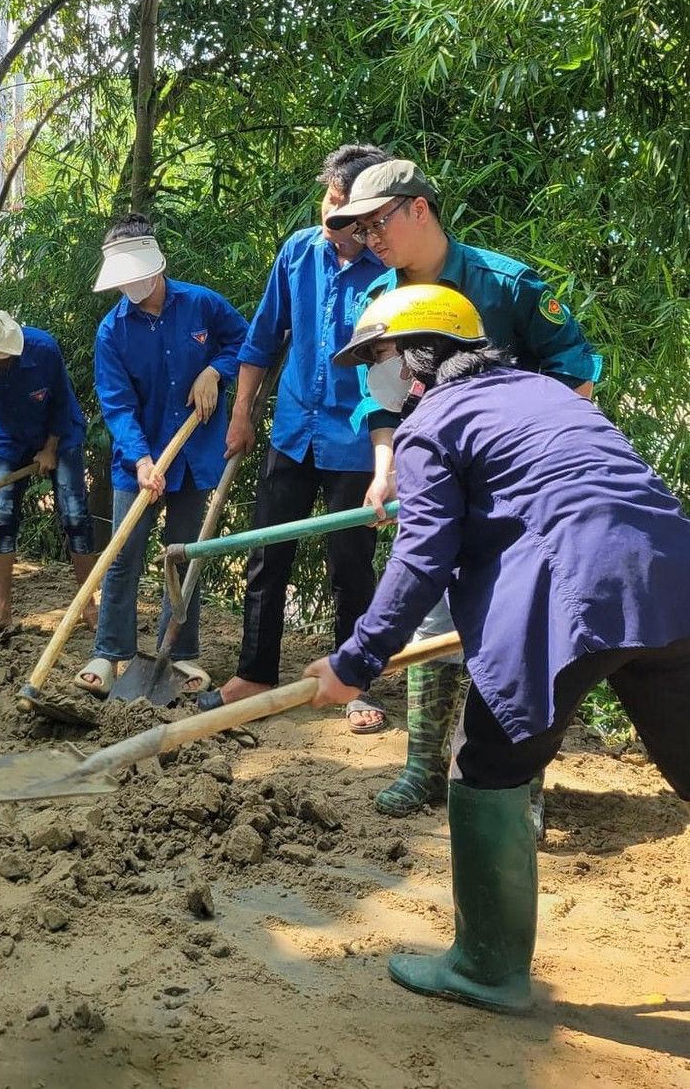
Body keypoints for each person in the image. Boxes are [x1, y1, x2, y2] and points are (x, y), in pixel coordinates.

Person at [306, 284, 690, 1013]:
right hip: (673, 578)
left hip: (571, 591)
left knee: (487, 762)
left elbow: (420, 560)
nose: (370, 373)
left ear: (418, 358)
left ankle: (487, 969)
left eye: (376, 355)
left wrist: (354, 663)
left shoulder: (433, 423)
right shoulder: (549, 395)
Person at [324, 159, 602, 815]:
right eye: (358, 230)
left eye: (377, 222)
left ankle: (518, 787)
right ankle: (423, 768)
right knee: (429, 616)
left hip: (515, 497)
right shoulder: (382, 304)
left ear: (419, 208)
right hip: (437, 485)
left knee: (516, 629)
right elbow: (384, 403)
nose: (370, 238)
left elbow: (577, 373)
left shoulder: (505, 285)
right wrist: (387, 468)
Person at [217, 145, 391, 731]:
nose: (331, 217)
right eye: (329, 201)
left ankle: (355, 680)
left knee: (351, 564)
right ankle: (256, 670)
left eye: (346, 209)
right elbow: (263, 339)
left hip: (356, 440)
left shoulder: (392, 271)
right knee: (267, 554)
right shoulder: (298, 252)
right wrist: (242, 413)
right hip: (293, 431)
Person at [75, 214, 248, 698]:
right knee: (123, 556)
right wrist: (142, 460)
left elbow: (245, 342)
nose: (129, 285)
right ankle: (111, 653)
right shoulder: (112, 332)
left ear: (154, 266)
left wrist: (216, 370)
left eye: (135, 274)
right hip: (140, 462)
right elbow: (117, 403)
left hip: (195, 455)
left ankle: (181, 652)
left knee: (185, 555)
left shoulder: (202, 304)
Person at [0, 307, 97, 633]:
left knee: (74, 515)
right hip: (10, 438)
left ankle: (89, 606)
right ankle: (1, 612)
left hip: (61, 434)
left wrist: (50, 448)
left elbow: (61, 401)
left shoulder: (42, 349)